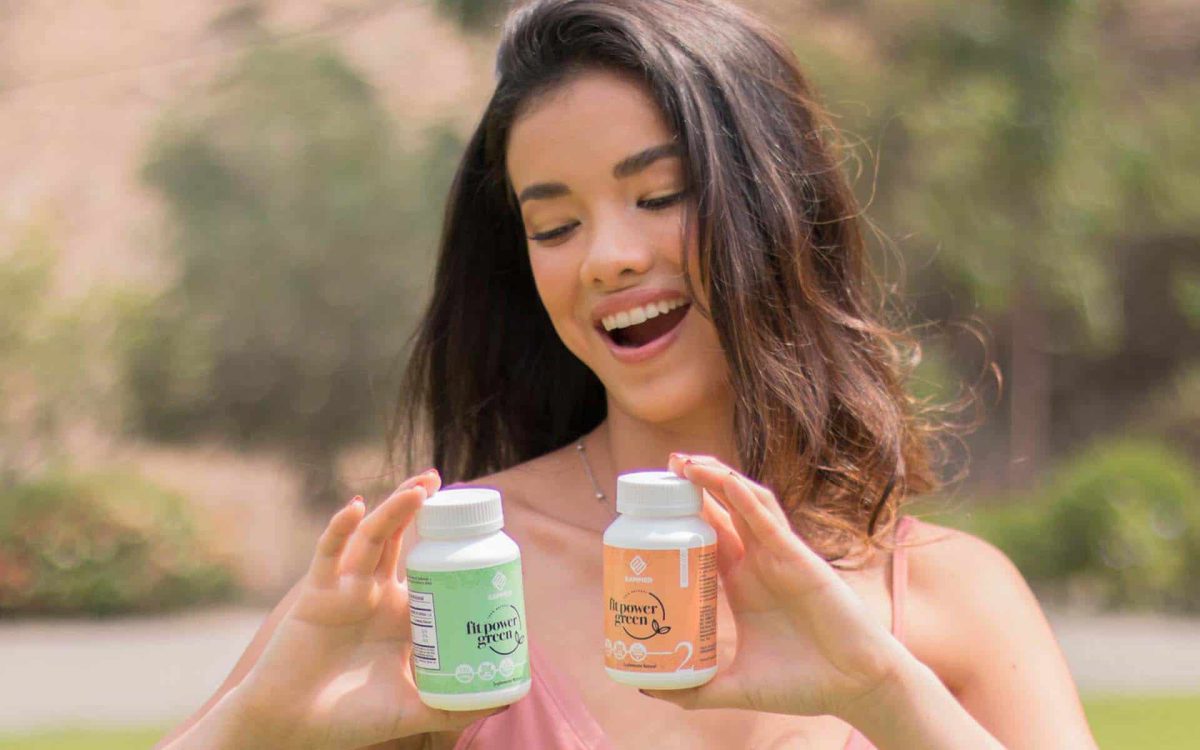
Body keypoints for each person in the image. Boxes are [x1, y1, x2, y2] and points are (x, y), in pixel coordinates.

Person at [157, 1, 1099, 748]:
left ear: (779, 203)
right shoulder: (441, 581)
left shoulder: (950, 598)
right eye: (555, 226)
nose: (607, 257)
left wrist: (884, 693)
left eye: (659, 195)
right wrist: (255, 730)